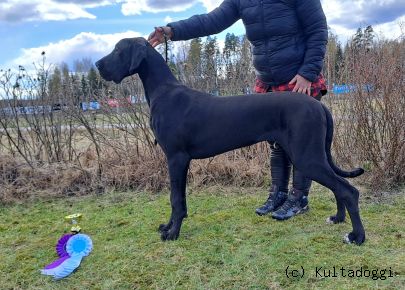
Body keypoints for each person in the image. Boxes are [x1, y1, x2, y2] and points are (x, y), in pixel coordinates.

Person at [148, 0, 328, 220]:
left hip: (299, 79)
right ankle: (278, 194)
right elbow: (210, 21)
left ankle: (299, 198)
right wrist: (171, 30)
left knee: (299, 144)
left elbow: (317, 30)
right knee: (277, 142)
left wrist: (308, 72)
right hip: (269, 81)